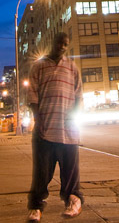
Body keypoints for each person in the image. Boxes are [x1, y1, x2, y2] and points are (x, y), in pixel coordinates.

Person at [26, 32, 83, 222]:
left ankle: (73, 200)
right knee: (42, 172)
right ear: (53, 42)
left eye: (66, 44)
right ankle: (36, 207)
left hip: (68, 130)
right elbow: (32, 96)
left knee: (70, 171)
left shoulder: (72, 68)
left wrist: (74, 117)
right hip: (45, 129)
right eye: (60, 43)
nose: (62, 47)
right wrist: (38, 119)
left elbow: (78, 96)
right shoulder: (39, 66)